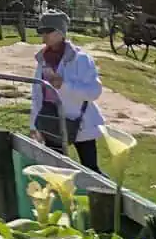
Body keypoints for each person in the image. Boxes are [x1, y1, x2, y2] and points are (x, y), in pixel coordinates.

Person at [27, 11, 105, 174]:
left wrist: (64, 85)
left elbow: (94, 92)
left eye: (46, 31)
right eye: (41, 32)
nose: (43, 37)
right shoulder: (42, 60)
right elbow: (37, 94)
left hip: (80, 121)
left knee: (91, 170)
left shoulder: (81, 59)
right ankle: (63, 199)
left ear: (59, 32)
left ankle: (112, 198)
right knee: (57, 171)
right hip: (51, 120)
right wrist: (34, 124)